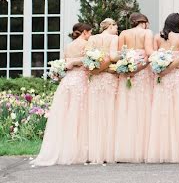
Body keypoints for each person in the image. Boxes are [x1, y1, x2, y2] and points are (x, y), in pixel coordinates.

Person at [33, 23, 92, 166]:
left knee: (66, 115)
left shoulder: (68, 46)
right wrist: (75, 62)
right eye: (90, 32)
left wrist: (70, 63)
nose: (91, 35)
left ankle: (65, 149)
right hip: (80, 80)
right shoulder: (86, 43)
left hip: (67, 82)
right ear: (85, 32)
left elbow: (64, 62)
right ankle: (80, 151)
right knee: (80, 115)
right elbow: (89, 61)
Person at [147, 13, 179, 163]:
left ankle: (160, 149)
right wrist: (171, 66)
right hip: (177, 75)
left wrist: (162, 67)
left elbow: (152, 55)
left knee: (162, 110)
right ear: (177, 23)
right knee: (178, 109)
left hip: (162, 77)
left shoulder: (157, 37)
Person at [114, 12, 154, 163]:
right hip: (142, 71)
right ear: (143, 22)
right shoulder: (147, 33)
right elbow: (149, 53)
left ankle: (125, 148)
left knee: (127, 107)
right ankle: (143, 148)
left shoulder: (123, 33)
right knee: (144, 107)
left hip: (127, 72)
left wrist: (128, 64)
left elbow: (119, 54)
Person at [85, 17, 119, 164]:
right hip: (109, 78)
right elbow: (112, 56)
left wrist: (96, 70)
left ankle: (93, 150)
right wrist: (122, 57)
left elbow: (87, 57)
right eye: (115, 25)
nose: (117, 28)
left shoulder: (92, 39)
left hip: (95, 79)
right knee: (110, 113)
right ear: (110, 26)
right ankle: (109, 151)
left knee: (94, 113)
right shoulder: (114, 38)